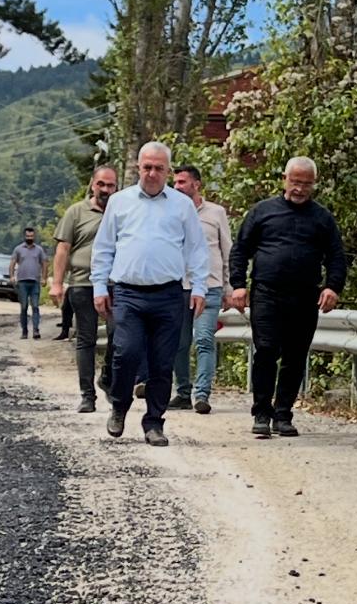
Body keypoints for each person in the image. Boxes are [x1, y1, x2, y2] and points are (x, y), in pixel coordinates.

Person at [91, 141, 209, 446]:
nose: (152, 173)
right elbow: (103, 248)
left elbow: (197, 250)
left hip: (168, 294)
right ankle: (119, 406)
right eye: (147, 167)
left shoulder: (182, 206)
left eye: (158, 168)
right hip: (128, 293)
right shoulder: (120, 202)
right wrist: (100, 287)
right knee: (126, 352)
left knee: (162, 362)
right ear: (138, 168)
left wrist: (199, 287)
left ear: (168, 171)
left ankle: (154, 422)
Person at [226, 156, 347, 439]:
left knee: (295, 356)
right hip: (267, 293)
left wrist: (332, 287)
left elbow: (336, 256)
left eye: (306, 184)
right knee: (266, 350)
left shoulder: (322, 218)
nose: (300, 189)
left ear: (314, 184)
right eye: (295, 182)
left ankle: (283, 414)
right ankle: (261, 413)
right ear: (285, 179)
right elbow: (240, 249)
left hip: (305, 297)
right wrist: (238, 285)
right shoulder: (262, 211)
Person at [51, 165, 121, 412]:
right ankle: (87, 396)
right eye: (101, 184)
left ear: (116, 187)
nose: (105, 189)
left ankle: (108, 377)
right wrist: (57, 283)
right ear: (92, 184)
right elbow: (63, 249)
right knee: (86, 338)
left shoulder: (122, 211)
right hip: (82, 283)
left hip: (115, 284)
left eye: (110, 185)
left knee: (119, 335)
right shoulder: (76, 212)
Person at [170, 165, 232, 414]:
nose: (176, 187)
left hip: (209, 286)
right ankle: (183, 392)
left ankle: (202, 394)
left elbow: (227, 250)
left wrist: (229, 286)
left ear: (196, 184)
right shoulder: (170, 212)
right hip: (178, 286)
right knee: (179, 343)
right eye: (175, 182)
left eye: (182, 182)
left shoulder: (216, 213)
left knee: (204, 339)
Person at [8, 227, 48, 340]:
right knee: (24, 307)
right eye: (28, 236)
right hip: (22, 282)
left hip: (35, 282)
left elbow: (45, 263)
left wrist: (44, 278)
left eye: (31, 236)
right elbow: (12, 263)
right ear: (24, 236)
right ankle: (24, 331)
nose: (29, 238)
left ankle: (36, 330)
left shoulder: (39, 250)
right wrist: (12, 276)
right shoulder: (18, 249)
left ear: (34, 236)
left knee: (35, 306)